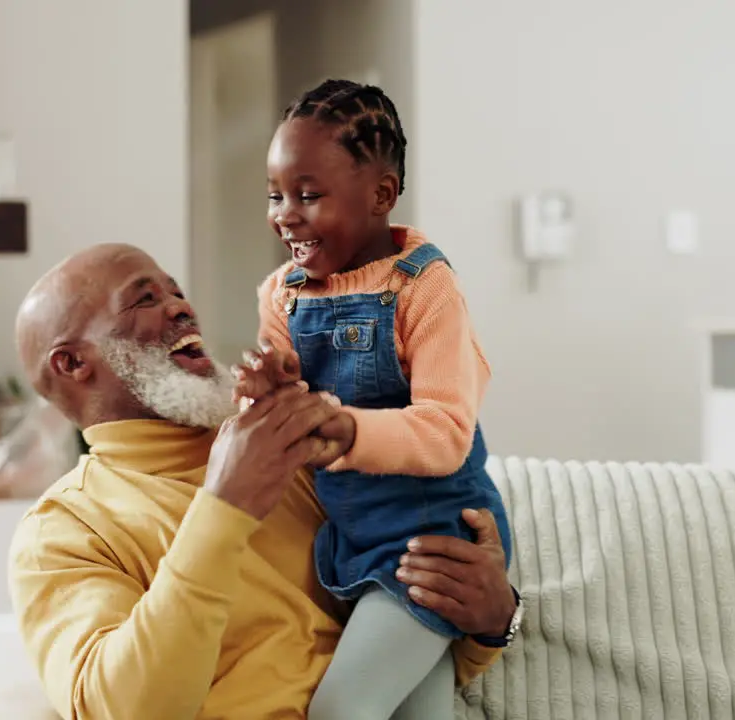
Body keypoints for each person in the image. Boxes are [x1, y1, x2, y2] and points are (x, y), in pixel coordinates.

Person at [8, 243, 521, 720]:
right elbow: (126, 708)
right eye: (145, 299)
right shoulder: (63, 532)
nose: (181, 308)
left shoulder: (297, 438)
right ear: (73, 363)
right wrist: (223, 507)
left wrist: (491, 619)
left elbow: (395, 626)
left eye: (178, 292)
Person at [237, 79, 513, 720]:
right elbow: (283, 414)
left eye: (308, 195)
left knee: (342, 710)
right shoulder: (282, 295)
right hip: (355, 537)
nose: (285, 213)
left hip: (432, 540)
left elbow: (447, 431)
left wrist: (346, 430)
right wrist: (263, 394)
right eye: (276, 195)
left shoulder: (426, 288)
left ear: (381, 196)